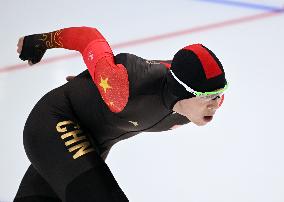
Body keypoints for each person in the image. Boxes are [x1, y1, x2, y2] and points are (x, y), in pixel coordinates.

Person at [14, 26, 228, 202]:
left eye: (220, 94)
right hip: (57, 121)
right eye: (208, 96)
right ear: (182, 91)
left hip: (93, 144)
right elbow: (88, 37)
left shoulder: (203, 98)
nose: (216, 104)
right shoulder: (122, 88)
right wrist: (42, 40)